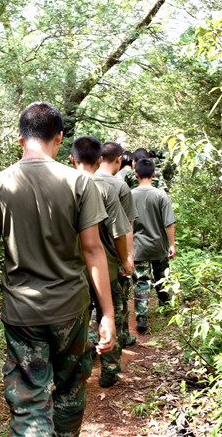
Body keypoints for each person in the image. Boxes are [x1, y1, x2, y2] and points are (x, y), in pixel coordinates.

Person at [0, 102, 115, 436]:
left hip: (22, 313)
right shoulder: (80, 183)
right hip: (70, 308)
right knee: (70, 388)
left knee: (29, 399)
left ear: (20, 138)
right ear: (59, 138)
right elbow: (93, 250)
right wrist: (107, 314)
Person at [70, 136, 133, 388]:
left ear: (71, 159)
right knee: (112, 315)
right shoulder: (108, 189)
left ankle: (80, 365)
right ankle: (109, 369)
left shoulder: (64, 186)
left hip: (74, 271)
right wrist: (125, 259)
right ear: (99, 160)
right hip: (106, 268)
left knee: (79, 320)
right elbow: (120, 232)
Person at [96, 141, 138, 349]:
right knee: (116, 303)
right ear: (119, 159)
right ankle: (117, 342)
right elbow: (126, 227)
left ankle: (90, 345)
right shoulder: (120, 186)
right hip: (113, 256)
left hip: (83, 258)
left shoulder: (80, 180)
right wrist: (128, 257)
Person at [131, 158, 176, 333]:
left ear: (136, 175)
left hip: (138, 247)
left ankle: (141, 318)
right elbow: (169, 222)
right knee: (161, 278)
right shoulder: (161, 195)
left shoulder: (130, 195)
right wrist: (172, 244)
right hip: (159, 246)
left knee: (141, 282)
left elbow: (126, 224)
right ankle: (166, 308)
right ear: (154, 175)